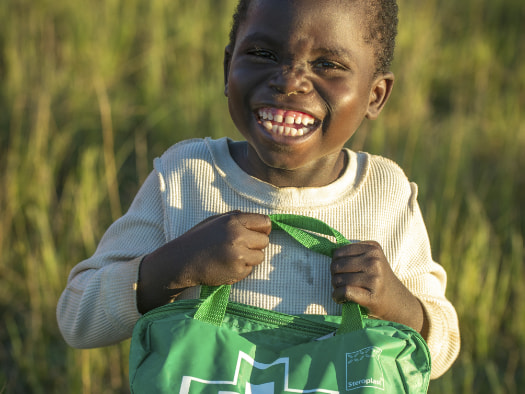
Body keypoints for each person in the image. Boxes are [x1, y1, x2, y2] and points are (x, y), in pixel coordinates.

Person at [57, 0, 460, 379]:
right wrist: (175, 266)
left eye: (328, 64)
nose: (289, 81)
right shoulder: (185, 176)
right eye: (264, 55)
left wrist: (398, 305)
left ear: (376, 94)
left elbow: (441, 350)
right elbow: (77, 317)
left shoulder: (385, 194)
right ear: (227, 67)